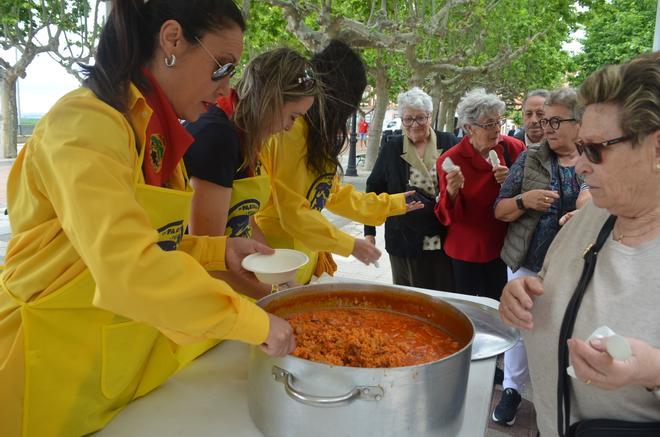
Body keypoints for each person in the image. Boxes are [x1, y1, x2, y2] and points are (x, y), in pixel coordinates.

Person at [0, 2, 296, 435]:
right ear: (172, 39)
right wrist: (255, 321)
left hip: (113, 375)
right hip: (43, 374)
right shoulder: (84, 124)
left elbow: (159, 243)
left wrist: (220, 251)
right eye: (223, 67)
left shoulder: (152, 132)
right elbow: (128, 267)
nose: (225, 88)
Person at [499, 51, 660, 436]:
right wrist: (520, 293)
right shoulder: (592, 215)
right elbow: (551, 283)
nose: (581, 166)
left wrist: (652, 370)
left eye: (595, 150)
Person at [255, 40, 422, 285]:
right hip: (276, 261)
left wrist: (392, 204)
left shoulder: (315, 134)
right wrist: (350, 245)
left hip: (304, 259)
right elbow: (293, 212)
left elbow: (332, 194)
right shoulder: (290, 130)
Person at [184, 48, 321, 298]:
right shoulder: (218, 137)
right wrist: (279, 296)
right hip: (197, 294)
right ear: (271, 100)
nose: (289, 128)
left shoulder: (243, 136)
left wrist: (277, 269)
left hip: (230, 284)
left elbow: (243, 217)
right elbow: (209, 256)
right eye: (292, 116)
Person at [491, 87, 591, 426]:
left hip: (577, 269)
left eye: (555, 121)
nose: (546, 127)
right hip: (527, 262)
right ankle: (511, 390)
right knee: (518, 331)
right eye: (543, 120)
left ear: (579, 123)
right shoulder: (530, 157)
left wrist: (586, 213)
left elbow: (594, 201)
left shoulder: (595, 157)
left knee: (565, 333)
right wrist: (525, 201)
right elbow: (500, 211)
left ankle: (563, 399)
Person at [434, 88, 525, 300]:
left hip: (504, 247)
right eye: (488, 125)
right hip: (466, 249)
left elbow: (526, 193)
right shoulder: (451, 160)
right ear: (468, 128)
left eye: (498, 122)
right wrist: (452, 191)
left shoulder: (513, 148)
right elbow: (446, 217)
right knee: (469, 310)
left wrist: (510, 180)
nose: (496, 130)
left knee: (500, 307)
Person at [364, 87, 457, 290]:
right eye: (408, 119)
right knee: (408, 294)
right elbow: (373, 187)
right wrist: (369, 231)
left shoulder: (449, 142)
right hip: (402, 237)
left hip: (438, 235)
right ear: (402, 119)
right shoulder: (392, 148)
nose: (414, 125)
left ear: (430, 116)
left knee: (439, 293)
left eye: (420, 118)